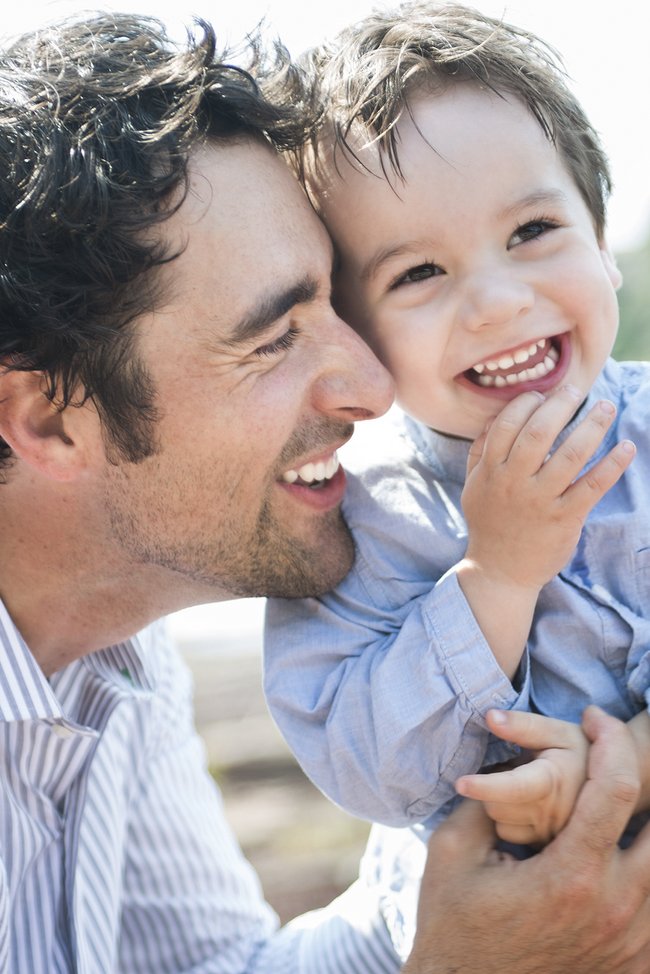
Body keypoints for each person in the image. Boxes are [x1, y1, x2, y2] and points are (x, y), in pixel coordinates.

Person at [0, 9, 649, 974]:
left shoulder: (116, 672)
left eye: (534, 231)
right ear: (52, 422)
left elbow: (215, 965)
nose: (374, 388)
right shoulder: (385, 540)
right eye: (274, 337)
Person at [263, 0, 650, 960]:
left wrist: (625, 763)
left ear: (600, 236)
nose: (497, 302)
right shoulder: (354, 526)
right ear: (354, 333)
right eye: (419, 274)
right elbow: (370, 769)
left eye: (533, 230)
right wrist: (499, 576)